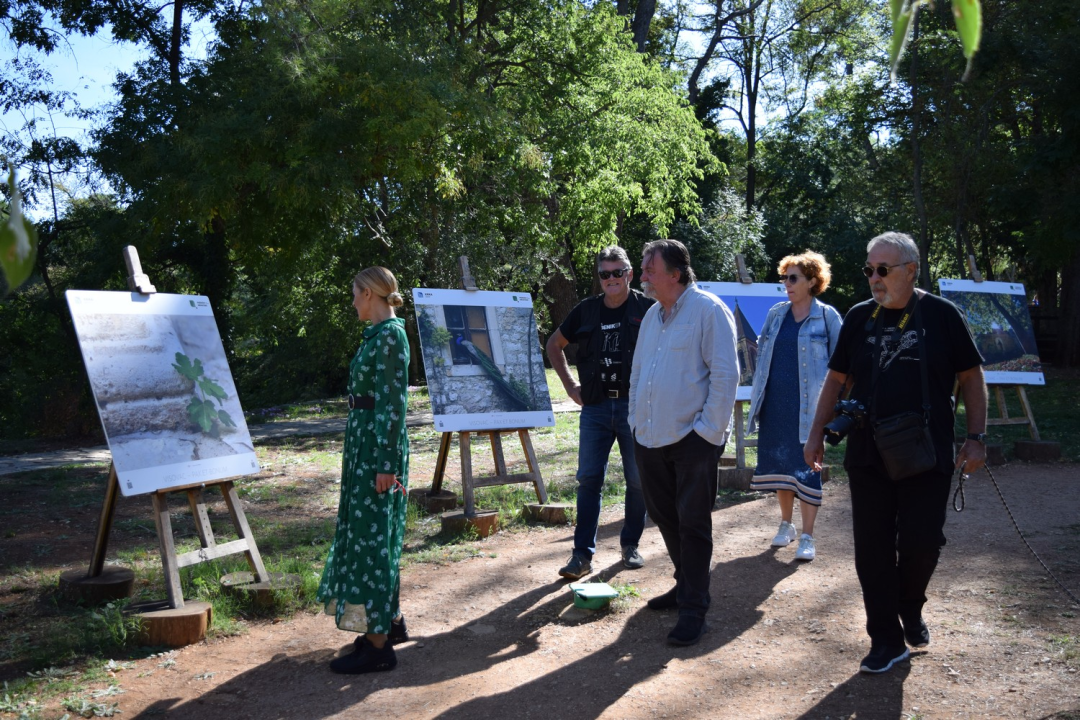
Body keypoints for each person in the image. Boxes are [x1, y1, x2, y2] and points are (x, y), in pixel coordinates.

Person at [804, 232, 988, 675]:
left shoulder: (942, 315)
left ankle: (910, 603)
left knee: (922, 543)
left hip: (925, 451)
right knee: (872, 549)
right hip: (868, 452)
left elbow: (971, 377)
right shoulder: (858, 317)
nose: (874, 278)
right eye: (869, 269)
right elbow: (835, 380)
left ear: (910, 270)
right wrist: (815, 435)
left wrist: (976, 436)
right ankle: (885, 639)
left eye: (882, 270)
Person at [629, 239, 739, 646]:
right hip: (650, 436)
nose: (642, 276)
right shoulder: (652, 315)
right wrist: (635, 421)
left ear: (674, 274)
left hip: (693, 439)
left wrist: (707, 432)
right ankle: (684, 585)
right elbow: (638, 373)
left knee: (693, 523)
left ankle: (694, 608)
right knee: (665, 516)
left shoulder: (709, 310)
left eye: (649, 269)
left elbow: (726, 376)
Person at [318, 267, 412, 675]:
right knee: (374, 536)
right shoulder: (378, 335)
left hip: (376, 449)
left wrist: (386, 463)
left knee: (372, 541)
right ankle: (389, 622)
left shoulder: (390, 336)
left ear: (370, 294)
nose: (353, 301)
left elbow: (394, 403)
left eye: (355, 293)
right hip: (366, 444)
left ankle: (378, 648)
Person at [547, 246, 655, 580]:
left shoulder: (649, 309)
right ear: (599, 277)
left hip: (634, 408)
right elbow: (554, 344)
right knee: (589, 480)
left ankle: (630, 545)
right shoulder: (586, 310)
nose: (611, 279)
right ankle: (581, 555)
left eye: (617, 272)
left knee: (638, 480)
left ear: (629, 274)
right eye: (605, 274)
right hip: (594, 407)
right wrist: (570, 386)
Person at [748, 251, 842, 562]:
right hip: (775, 403)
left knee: (808, 468)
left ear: (812, 281)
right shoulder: (776, 314)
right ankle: (786, 524)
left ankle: (807, 536)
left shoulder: (827, 316)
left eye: (793, 278)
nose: (786, 284)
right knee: (782, 465)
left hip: (810, 408)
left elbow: (843, 365)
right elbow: (762, 355)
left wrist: (834, 409)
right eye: (784, 278)